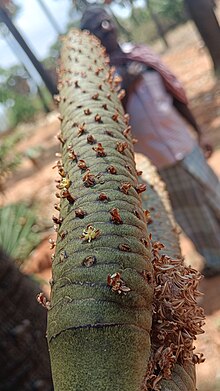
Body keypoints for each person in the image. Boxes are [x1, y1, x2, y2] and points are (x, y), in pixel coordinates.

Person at [80, 6, 220, 277]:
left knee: (214, 194)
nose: (106, 28)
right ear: (92, 39)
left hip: (184, 144)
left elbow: (175, 93)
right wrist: (127, 86)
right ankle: (215, 258)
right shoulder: (100, 83)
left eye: (107, 21)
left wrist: (199, 132)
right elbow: (108, 122)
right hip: (156, 163)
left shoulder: (141, 55)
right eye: (97, 27)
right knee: (190, 213)